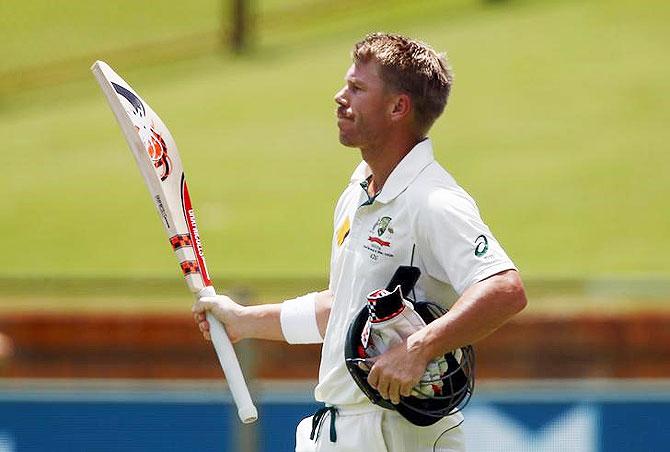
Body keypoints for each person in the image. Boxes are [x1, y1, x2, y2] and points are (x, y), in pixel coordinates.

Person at [193, 32, 527, 451]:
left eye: (357, 88)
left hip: (396, 434)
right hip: (337, 431)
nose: (339, 96)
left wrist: (419, 347)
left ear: (397, 107)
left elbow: (505, 289)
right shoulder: (357, 192)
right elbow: (342, 307)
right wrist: (244, 321)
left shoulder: (434, 200)